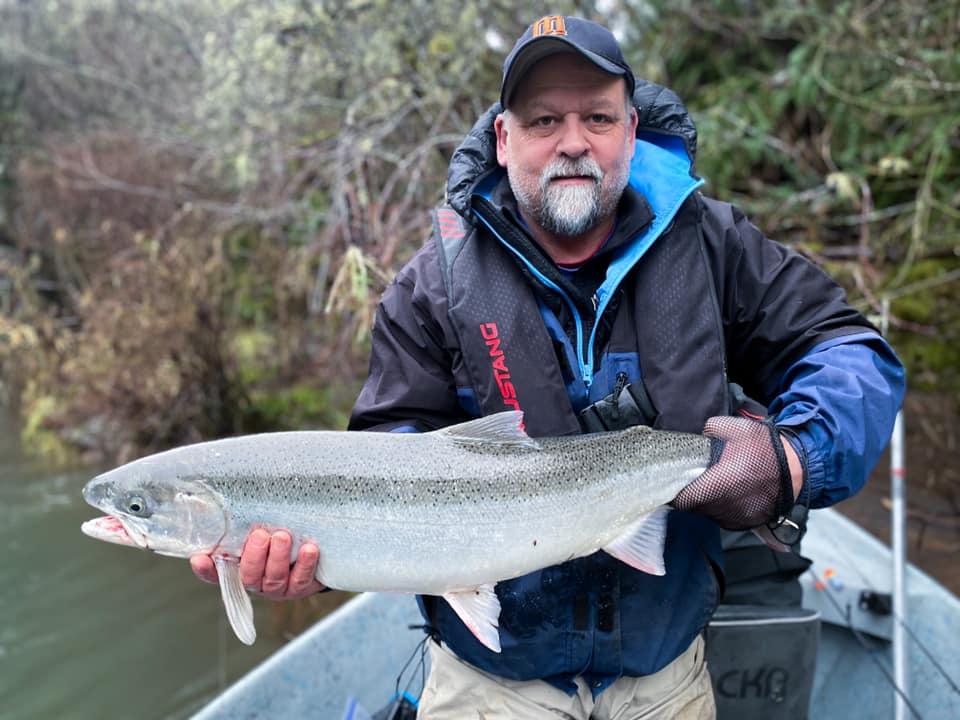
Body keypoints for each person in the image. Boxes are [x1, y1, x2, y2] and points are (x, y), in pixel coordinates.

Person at [192, 15, 905, 719]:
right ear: (503, 140)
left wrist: (796, 456)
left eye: (596, 117)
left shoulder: (718, 246)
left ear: (630, 130)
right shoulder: (429, 289)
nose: (572, 143)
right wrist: (321, 552)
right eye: (542, 121)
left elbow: (847, 352)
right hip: (489, 681)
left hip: (668, 674)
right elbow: (389, 449)